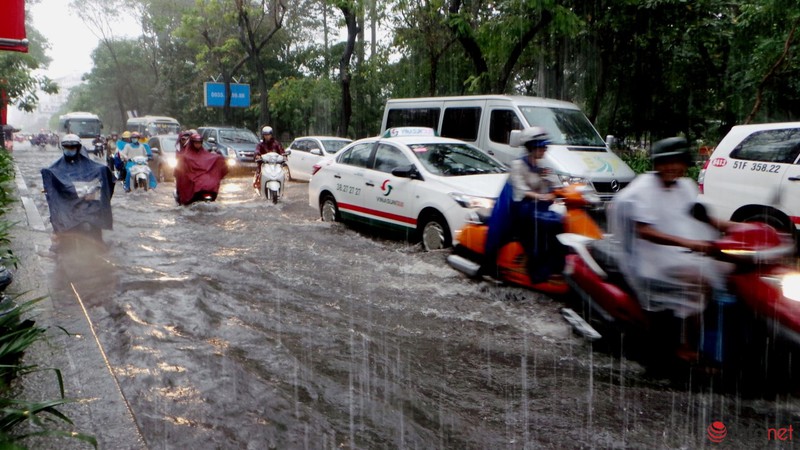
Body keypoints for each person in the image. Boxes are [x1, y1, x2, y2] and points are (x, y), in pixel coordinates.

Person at [607, 136, 734, 361]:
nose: (671, 167)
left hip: (682, 253)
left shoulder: (685, 186)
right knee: (701, 281)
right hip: (651, 259)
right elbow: (644, 231)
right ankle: (687, 345)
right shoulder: (644, 189)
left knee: (729, 269)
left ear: (685, 163)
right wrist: (688, 243)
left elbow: (704, 217)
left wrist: (740, 227)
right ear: (656, 164)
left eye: (677, 162)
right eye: (666, 162)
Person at [484, 126, 565, 283]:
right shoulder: (518, 165)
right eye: (541, 147)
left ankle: (554, 267)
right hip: (512, 207)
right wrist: (541, 196)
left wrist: (558, 191)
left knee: (556, 225)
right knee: (511, 233)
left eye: (545, 147)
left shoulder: (541, 167)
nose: (544, 150)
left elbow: (551, 185)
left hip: (533, 207)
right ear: (532, 147)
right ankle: (531, 271)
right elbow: (521, 190)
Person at [41, 134, 115, 247]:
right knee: (60, 240)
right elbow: (52, 192)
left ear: (78, 147)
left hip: (88, 206)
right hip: (67, 206)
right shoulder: (54, 169)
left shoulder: (95, 168)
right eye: (67, 147)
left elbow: (106, 185)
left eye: (73, 147)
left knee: (98, 239)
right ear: (62, 147)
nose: (69, 149)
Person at [175, 133, 229, 205]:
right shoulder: (185, 157)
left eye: (199, 143)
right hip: (200, 187)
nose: (198, 144)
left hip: (203, 188)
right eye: (196, 143)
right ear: (192, 143)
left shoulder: (208, 156)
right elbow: (179, 172)